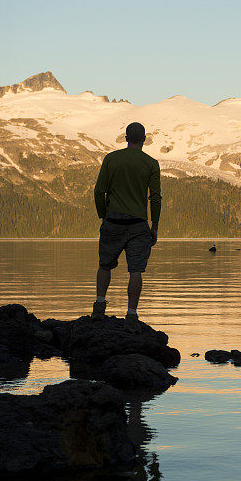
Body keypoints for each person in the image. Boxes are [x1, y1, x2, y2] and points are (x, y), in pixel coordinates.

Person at [92, 122, 161, 331]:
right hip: (139, 224)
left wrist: (103, 217)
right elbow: (155, 197)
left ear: (125, 137)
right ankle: (131, 315)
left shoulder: (111, 159)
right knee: (136, 270)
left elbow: (98, 192)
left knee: (105, 264)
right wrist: (154, 225)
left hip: (113, 221)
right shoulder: (151, 163)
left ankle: (99, 306)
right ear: (145, 139)